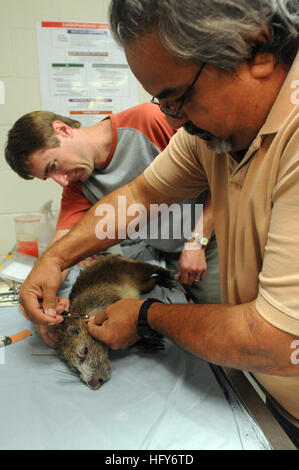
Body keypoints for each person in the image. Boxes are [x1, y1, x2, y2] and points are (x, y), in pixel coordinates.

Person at [15, 0, 299, 446]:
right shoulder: (206, 136)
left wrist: (148, 316)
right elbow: (141, 196)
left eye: (178, 98)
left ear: (256, 50)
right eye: (160, 103)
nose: (172, 120)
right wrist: (54, 260)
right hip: (278, 401)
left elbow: (278, 340)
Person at [5, 103, 221, 300]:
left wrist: (197, 241)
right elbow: (64, 244)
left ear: (62, 129)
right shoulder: (77, 184)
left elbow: (219, 176)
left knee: (219, 313)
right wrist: (41, 288)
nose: (61, 181)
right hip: (168, 252)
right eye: (49, 177)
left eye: (53, 166)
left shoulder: (147, 121)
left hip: (210, 238)